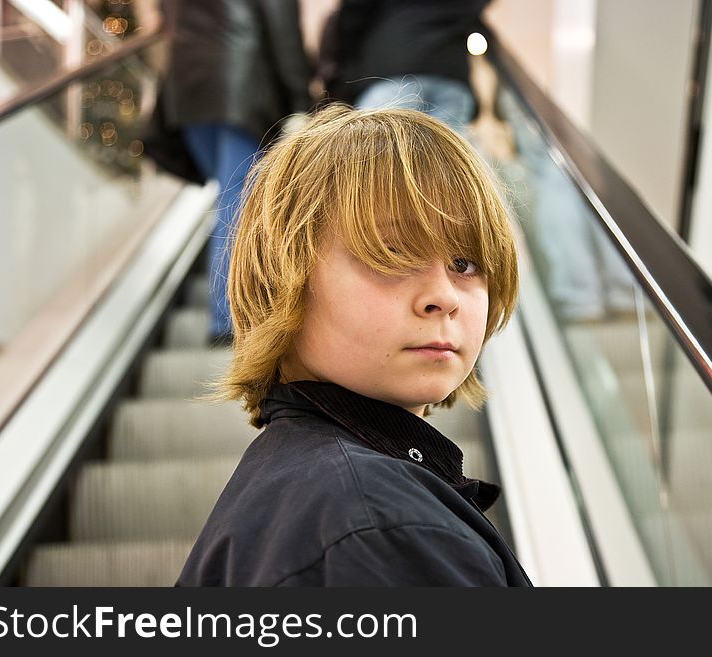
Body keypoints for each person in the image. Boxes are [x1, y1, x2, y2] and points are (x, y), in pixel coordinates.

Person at [176, 105, 532, 586]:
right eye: (391, 256)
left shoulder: (300, 485)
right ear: (285, 282)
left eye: (465, 263)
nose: (444, 297)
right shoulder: (381, 529)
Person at [143, 0, 313, 343]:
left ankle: (230, 313)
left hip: (188, 91)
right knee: (237, 203)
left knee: (231, 198)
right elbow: (281, 27)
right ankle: (227, 319)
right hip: (239, 86)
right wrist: (301, 100)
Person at [323, 0, 489, 135]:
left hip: (391, 70)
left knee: (377, 158)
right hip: (451, 73)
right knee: (443, 166)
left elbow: (353, 14)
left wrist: (345, 64)